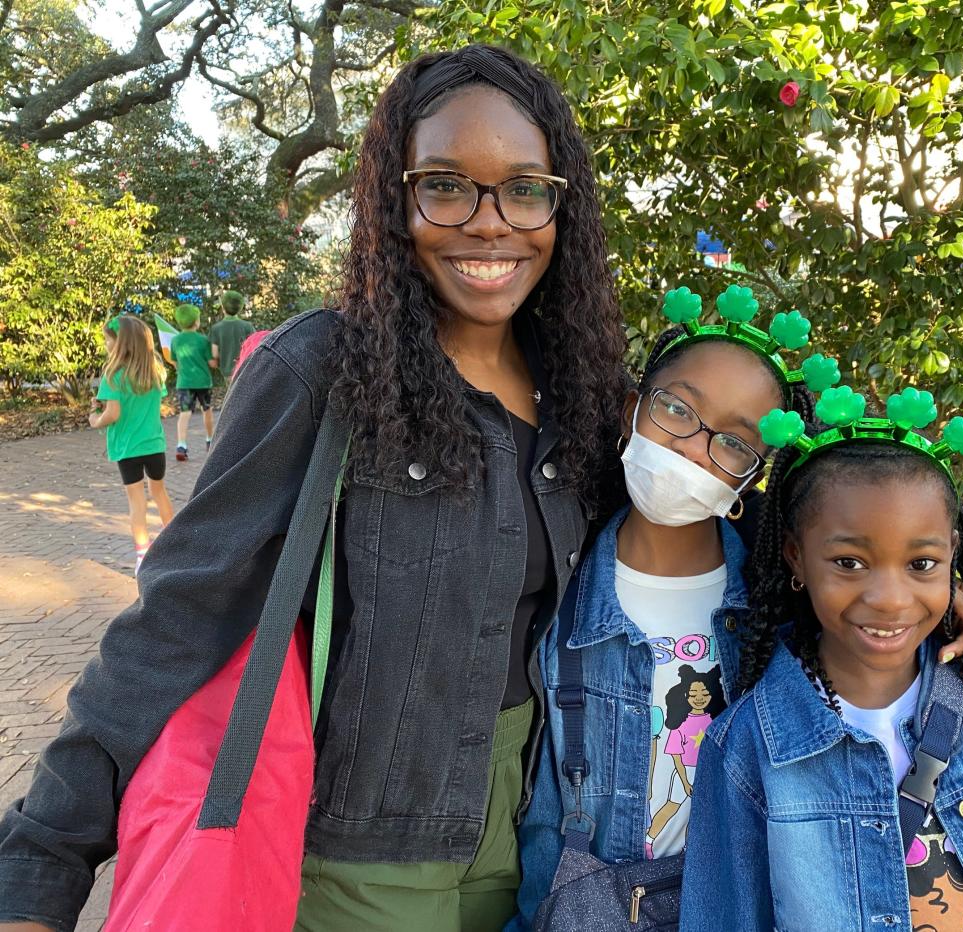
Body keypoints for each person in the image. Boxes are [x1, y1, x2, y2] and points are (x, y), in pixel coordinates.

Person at [0, 44, 626, 932]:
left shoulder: (581, 394)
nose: (491, 224)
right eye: (446, 185)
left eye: (525, 189)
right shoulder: (324, 370)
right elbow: (177, 619)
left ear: (562, 206)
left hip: (532, 839)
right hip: (357, 859)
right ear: (396, 200)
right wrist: (40, 866)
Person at [509, 293, 963, 930]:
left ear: (755, 474)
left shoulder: (787, 603)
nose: (691, 448)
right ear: (631, 410)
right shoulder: (555, 574)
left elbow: (877, 574)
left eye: (733, 443)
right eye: (677, 408)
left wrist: (950, 595)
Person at [679, 386, 963, 931]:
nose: (889, 599)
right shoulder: (746, 748)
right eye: (849, 561)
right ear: (796, 555)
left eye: (920, 563)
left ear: (953, 555)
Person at [88, 316, 176, 575]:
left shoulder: (113, 376)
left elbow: (113, 414)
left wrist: (95, 419)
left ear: (122, 343)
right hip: (154, 445)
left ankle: (141, 556)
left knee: (137, 502)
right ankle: (176, 544)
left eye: (108, 340)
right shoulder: (155, 372)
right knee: (159, 493)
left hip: (128, 449)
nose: (106, 344)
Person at [168, 302, 215, 460]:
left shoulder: (175, 340)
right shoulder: (203, 340)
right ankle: (210, 440)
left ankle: (181, 445)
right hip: (203, 381)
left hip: (184, 382)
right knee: (206, 410)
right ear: (196, 321)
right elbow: (211, 362)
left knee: (185, 413)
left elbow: (174, 361)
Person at [208, 290, 256, 386]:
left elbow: (214, 354)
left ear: (223, 307)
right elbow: (255, 348)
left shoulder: (216, 329)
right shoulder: (248, 326)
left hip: (227, 372)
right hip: (245, 370)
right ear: (240, 307)